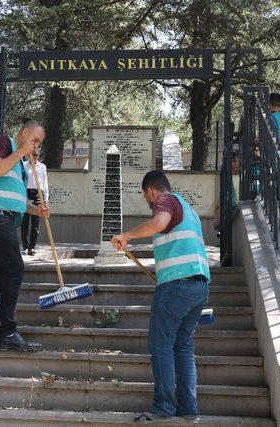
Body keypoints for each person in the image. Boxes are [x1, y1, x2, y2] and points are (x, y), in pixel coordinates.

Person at [111, 170, 210, 423]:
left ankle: (164, 406)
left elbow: (159, 223)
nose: (149, 202)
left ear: (150, 191)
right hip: (198, 286)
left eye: (146, 197)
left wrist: (127, 235)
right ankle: (188, 407)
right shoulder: (190, 210)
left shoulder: (164, 201)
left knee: (161, 345)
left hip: (176, 287)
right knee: (183, 346)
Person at [0, 120, 50, 351]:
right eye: (35, 140)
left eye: (39, 143)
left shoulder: (18, 164)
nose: (36, 146)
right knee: (14, 268)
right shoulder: (3, 143)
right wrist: (21, 152)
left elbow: (15, 199)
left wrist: (37, 210)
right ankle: (8, 332)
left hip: (1, 217)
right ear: (25, 133)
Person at [22, 146, 49, 255]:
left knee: (35, 223)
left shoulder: (42, 167)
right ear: (28, 155)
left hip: (38, 194)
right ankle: (25, 246)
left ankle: (32, 248)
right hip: (26, 193)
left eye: (36, 154)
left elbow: (45, 183)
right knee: (25, 222)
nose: (34, 156)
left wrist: (46, 200)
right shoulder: (23, 166)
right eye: (32, 154)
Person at [213, 152, 240, 232]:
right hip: (230, 212)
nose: (232, 164)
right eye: (230, 162)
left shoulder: (245, 177)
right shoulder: (227, 178)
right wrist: (217, 217)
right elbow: (222, 198)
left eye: (235, 161)